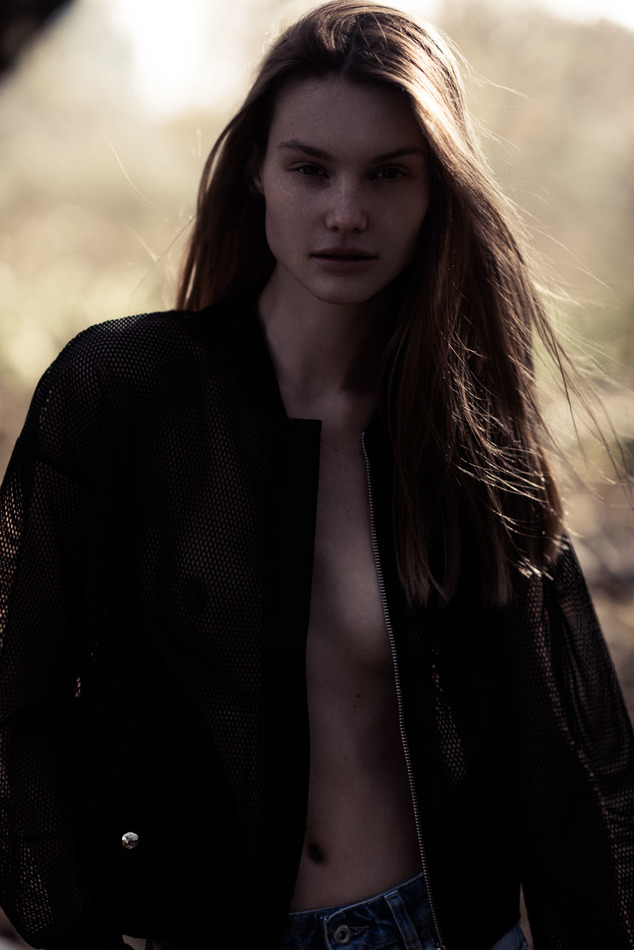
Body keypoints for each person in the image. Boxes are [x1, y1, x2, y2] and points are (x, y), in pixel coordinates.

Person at [0, 1, 632, 948]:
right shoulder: (126, 395)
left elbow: (574, 759)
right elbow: (16, 701)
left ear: (437, 190)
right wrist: (81, 930)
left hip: (445, 929)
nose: (346, 213)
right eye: (310, 169)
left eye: (389, 173)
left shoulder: (467, 434)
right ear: (255, 169)